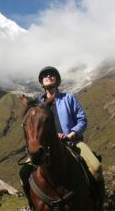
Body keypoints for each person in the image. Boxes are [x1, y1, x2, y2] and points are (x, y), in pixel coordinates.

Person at [19, 66, 105, 208]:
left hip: (72, 143)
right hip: (45, 146)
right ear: (41, 82)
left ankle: (97, 203)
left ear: (57, 80)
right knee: (24, 173)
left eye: (52, 74)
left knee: (96, 167)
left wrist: (71, 134)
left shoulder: (68, 98)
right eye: (45, 75)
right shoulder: (37, 106)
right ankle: (32, 205)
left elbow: (82, 120)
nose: (48, 76)